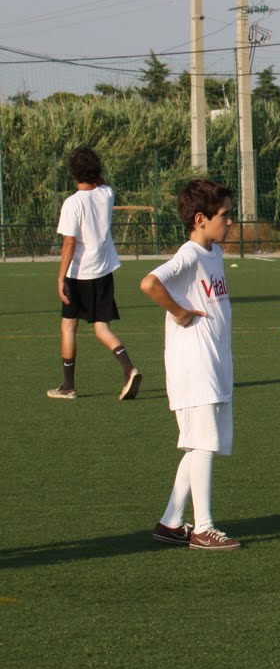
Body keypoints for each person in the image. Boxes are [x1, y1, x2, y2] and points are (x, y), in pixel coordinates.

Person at [141, 179, 241, 550]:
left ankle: (170, 523)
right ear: (200, 219)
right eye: (224, 215)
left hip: (214, 362)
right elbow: (150, 283)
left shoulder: (213, 252)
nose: (230, 221)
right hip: (194, 365)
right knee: (203, 444)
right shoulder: (190, 254)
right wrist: (179, 311)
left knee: (198, 444)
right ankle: (203, 528)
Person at [48, 145, 141, 400]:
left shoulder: (73, 203)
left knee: (68, 327)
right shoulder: (106, 194)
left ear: (73, 172)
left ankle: (68, 387)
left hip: (79, 274)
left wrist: (60, 278)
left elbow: (69, 242)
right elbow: (102, 182)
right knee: (101, 328)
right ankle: (129, 369)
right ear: (97, 170)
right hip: (103, 271)